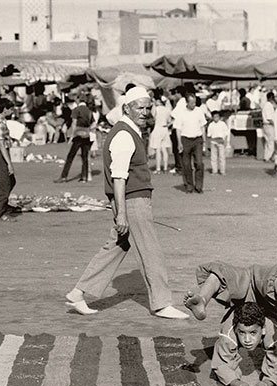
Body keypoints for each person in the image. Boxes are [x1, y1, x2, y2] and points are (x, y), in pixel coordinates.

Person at [64, 87, 189, 320]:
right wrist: (121, 213)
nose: (144, 112)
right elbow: (118, 177)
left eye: (147, 107)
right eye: (139, 108)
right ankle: (162, 304)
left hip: (131, 201)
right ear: (127, 109)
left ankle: (78, 293)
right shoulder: (123, 134)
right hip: (132, 201)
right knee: (151, 252)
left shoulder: (129, 131)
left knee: (116, 247)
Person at [211, 302, 277, 386]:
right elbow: (221, 366)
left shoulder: (275, 335)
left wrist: (264, 383)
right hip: (238, 305)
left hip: (270, 310)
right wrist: (240, 385)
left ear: (263, 330)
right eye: (242, 333)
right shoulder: (228, 334)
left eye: (253, 333)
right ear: (236, 329)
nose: (247, 340)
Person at [183, 261, 277, 326]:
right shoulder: (230, 329)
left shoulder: (273, 328)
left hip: (264, 296)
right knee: (219, 273)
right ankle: (202, 300)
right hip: (243, 285)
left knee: (276, 275)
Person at [54, 94, 94, 183]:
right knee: (85, 157)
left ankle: (64, 176)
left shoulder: (76, 110)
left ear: (78, 101)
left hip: (78, 135)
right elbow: (93, 123)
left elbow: (74, 123)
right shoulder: (89, 111)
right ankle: (84, 177)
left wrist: (71, 135)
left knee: (70, 156)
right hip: (86, 135)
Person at [175, 94, 207, 193]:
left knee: (199, 163)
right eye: (192, 103)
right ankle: (189, 185)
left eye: (195, 102)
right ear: (187, 102)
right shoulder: (181, 113)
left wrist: (204, 141)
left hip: (197, 139)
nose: (194, 104)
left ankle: (199, 186)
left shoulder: (199, 111)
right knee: (186, 164)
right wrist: (179, 143)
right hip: (185, 140)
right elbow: (178, 129)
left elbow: (203, 126)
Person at [149, 96, 172, 174]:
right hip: (165, 129)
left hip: (157, 128)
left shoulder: (155, 108)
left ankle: (158, 169)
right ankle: (165, 168)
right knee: (164, 149)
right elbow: (170, 120)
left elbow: (152, 116)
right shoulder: (167, 109)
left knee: (158, 150)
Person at [207, 111, 230, 175]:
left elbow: (226, 132)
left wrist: (224, 139)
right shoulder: (211, 125)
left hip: (221, 141)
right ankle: (214, 171)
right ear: (212, 117)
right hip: (213, 141)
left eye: (217, 117)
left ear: (219, 117)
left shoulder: (222, 124)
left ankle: (222, 171)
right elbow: (209, 134)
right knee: (213, 157)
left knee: (222, 157)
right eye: (214, 117)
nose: (216, 118)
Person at [261, 91, 277, 162]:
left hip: (266, 125)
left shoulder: (266, 105)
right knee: (270, 142)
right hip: (269, 125)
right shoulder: (268, 106)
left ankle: (267, 156)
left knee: (268, 142)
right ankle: (269, 157)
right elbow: (269, 118)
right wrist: (275, 124)